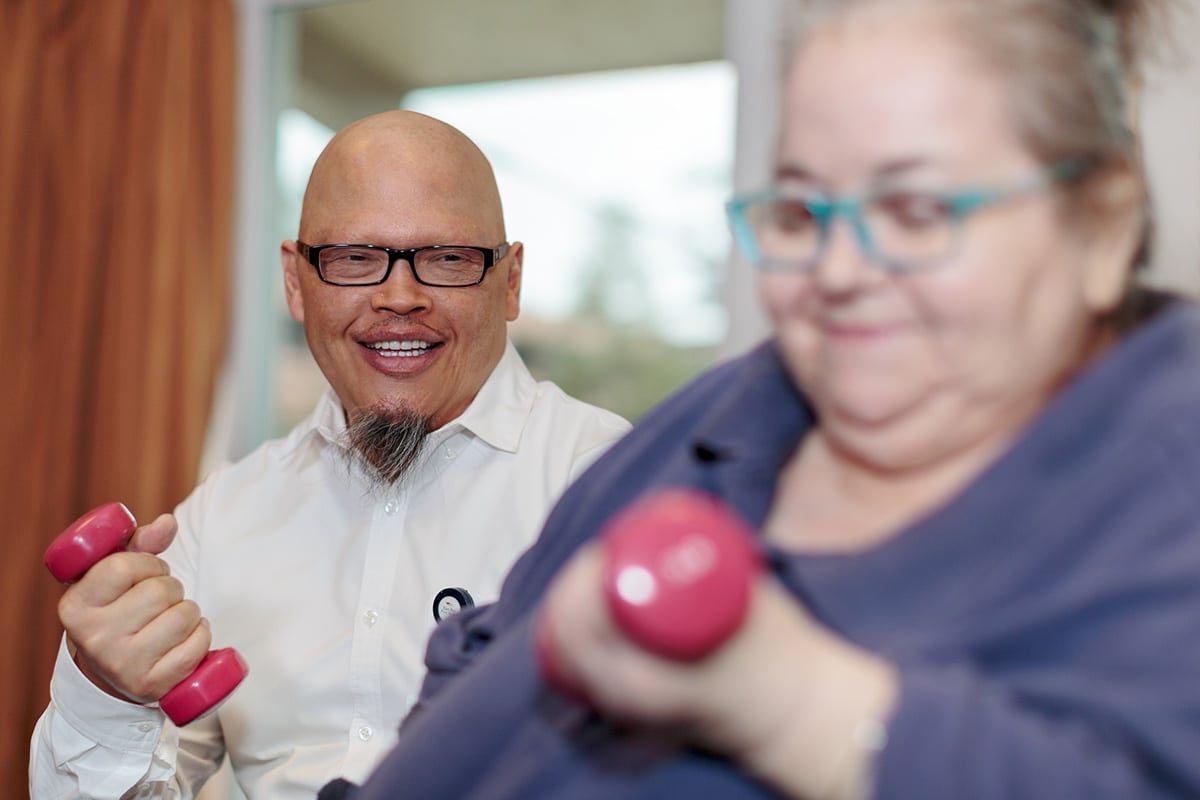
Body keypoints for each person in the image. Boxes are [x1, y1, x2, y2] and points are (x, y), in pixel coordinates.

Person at [332, 1, 1200, 798]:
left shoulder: (1164, 479)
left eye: (918, 209)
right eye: (802, 213)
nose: (838, 274)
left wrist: (785, 697)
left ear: (1104, 225)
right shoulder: (742, 401)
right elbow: (488, 643)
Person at [28, 109, 630, 799]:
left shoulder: (613, 490)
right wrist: (104, 695)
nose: (400, 297)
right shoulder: (222, 520)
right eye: (354, 259)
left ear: (510, 280)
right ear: (295, 280)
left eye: (447, 259)